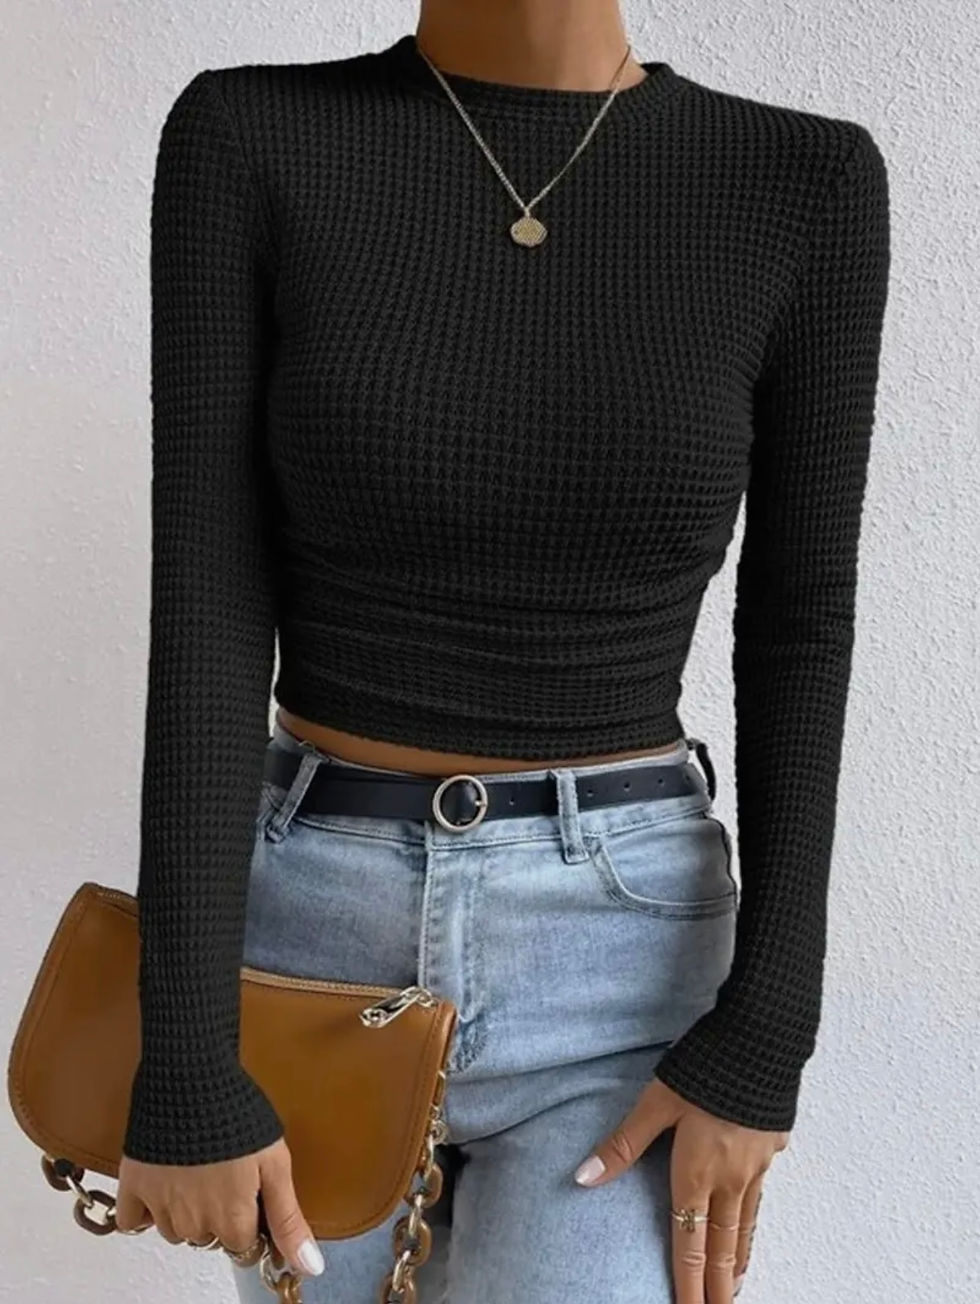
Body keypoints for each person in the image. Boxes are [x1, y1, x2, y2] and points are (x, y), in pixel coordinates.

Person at [112, 3, 890, 1302]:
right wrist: (184, 1051)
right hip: (309, 939)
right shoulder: (249, 136)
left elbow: (802, 619)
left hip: (625, 964)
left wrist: (771, 1030)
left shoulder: (803, 178)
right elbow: (205, 602)